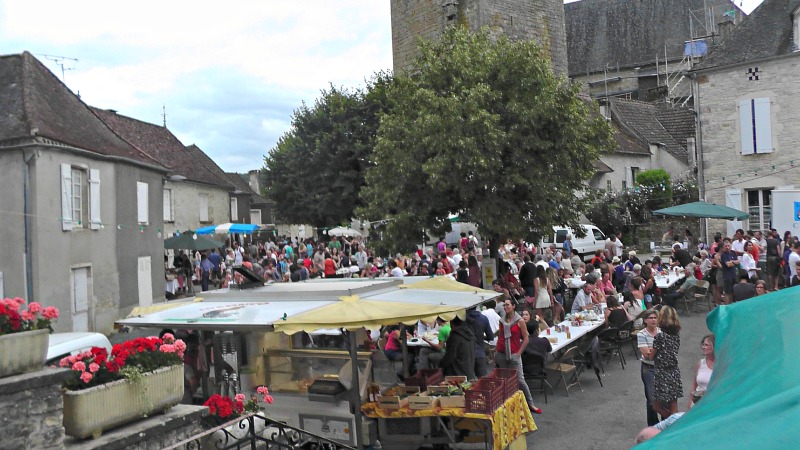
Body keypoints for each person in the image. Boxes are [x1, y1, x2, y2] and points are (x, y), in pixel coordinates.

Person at [496, 299, 541, 414]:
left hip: (514, 353)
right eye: (504, 305)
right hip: (501, 352)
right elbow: (500, 335)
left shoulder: (519, 321)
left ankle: (530, 403)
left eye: (507, 305)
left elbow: (526, 339)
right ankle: (508, 404)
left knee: (520, 380)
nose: (505, 307)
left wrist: (518, 353)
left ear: (513, 306)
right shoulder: (502, 320)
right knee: (505, 379)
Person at [652, 306, 682, 419]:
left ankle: (671, 422)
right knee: (673, 404)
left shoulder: (659, 337)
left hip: (661, 372)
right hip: (674, 371)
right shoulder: (676, 335)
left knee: (656, 405)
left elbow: (651, 356)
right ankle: (675, 423)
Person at [638, 309, 661, 426]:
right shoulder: (641, 334)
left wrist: (652, 349)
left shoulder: (662, 332)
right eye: (650, 318)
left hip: (662, 368)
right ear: (645, 320)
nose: (653, 320)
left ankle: (664, 423)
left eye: (655, 318)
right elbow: (647, 354)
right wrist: (659, 350)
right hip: (649, 368)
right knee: (651, 399)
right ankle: (653, 424)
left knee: (664, 397)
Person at [465, 307, 494, 377]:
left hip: (466, 355)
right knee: (482, 382)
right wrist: (481, 336)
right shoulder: (483, 318)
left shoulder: (462, 319)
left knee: (466, 383)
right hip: (480, 354)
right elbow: (490, 337)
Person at [689, 334, 715, 408]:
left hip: (712, 404)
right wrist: (690, 402)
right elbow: (694, 384)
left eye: (706, 345)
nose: (703, 347)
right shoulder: (700, 363)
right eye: (703, 344)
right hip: (697, 403)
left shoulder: (720, 366)